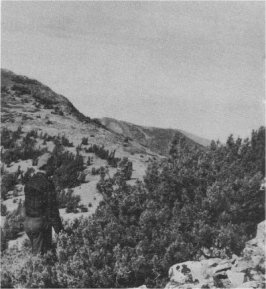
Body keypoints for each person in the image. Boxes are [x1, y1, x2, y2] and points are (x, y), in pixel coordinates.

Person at [24, 172, 63, 255]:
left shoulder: (29, 182)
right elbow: (52, 211)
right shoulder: (47, 184)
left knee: (36, 253)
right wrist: (60, 232)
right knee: (41, 258)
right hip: (39, 224)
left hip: (28, 222)